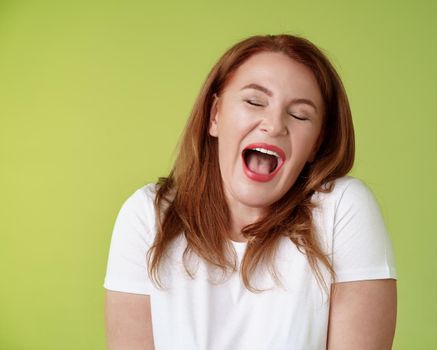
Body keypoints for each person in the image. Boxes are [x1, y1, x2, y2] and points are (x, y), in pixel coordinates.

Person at [103, 34, 397, 350]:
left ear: (316, 143)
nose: (274, 125)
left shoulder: (342, 209)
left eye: (299, 114)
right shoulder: (148, 216)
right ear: (215, 115)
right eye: (255, 101)